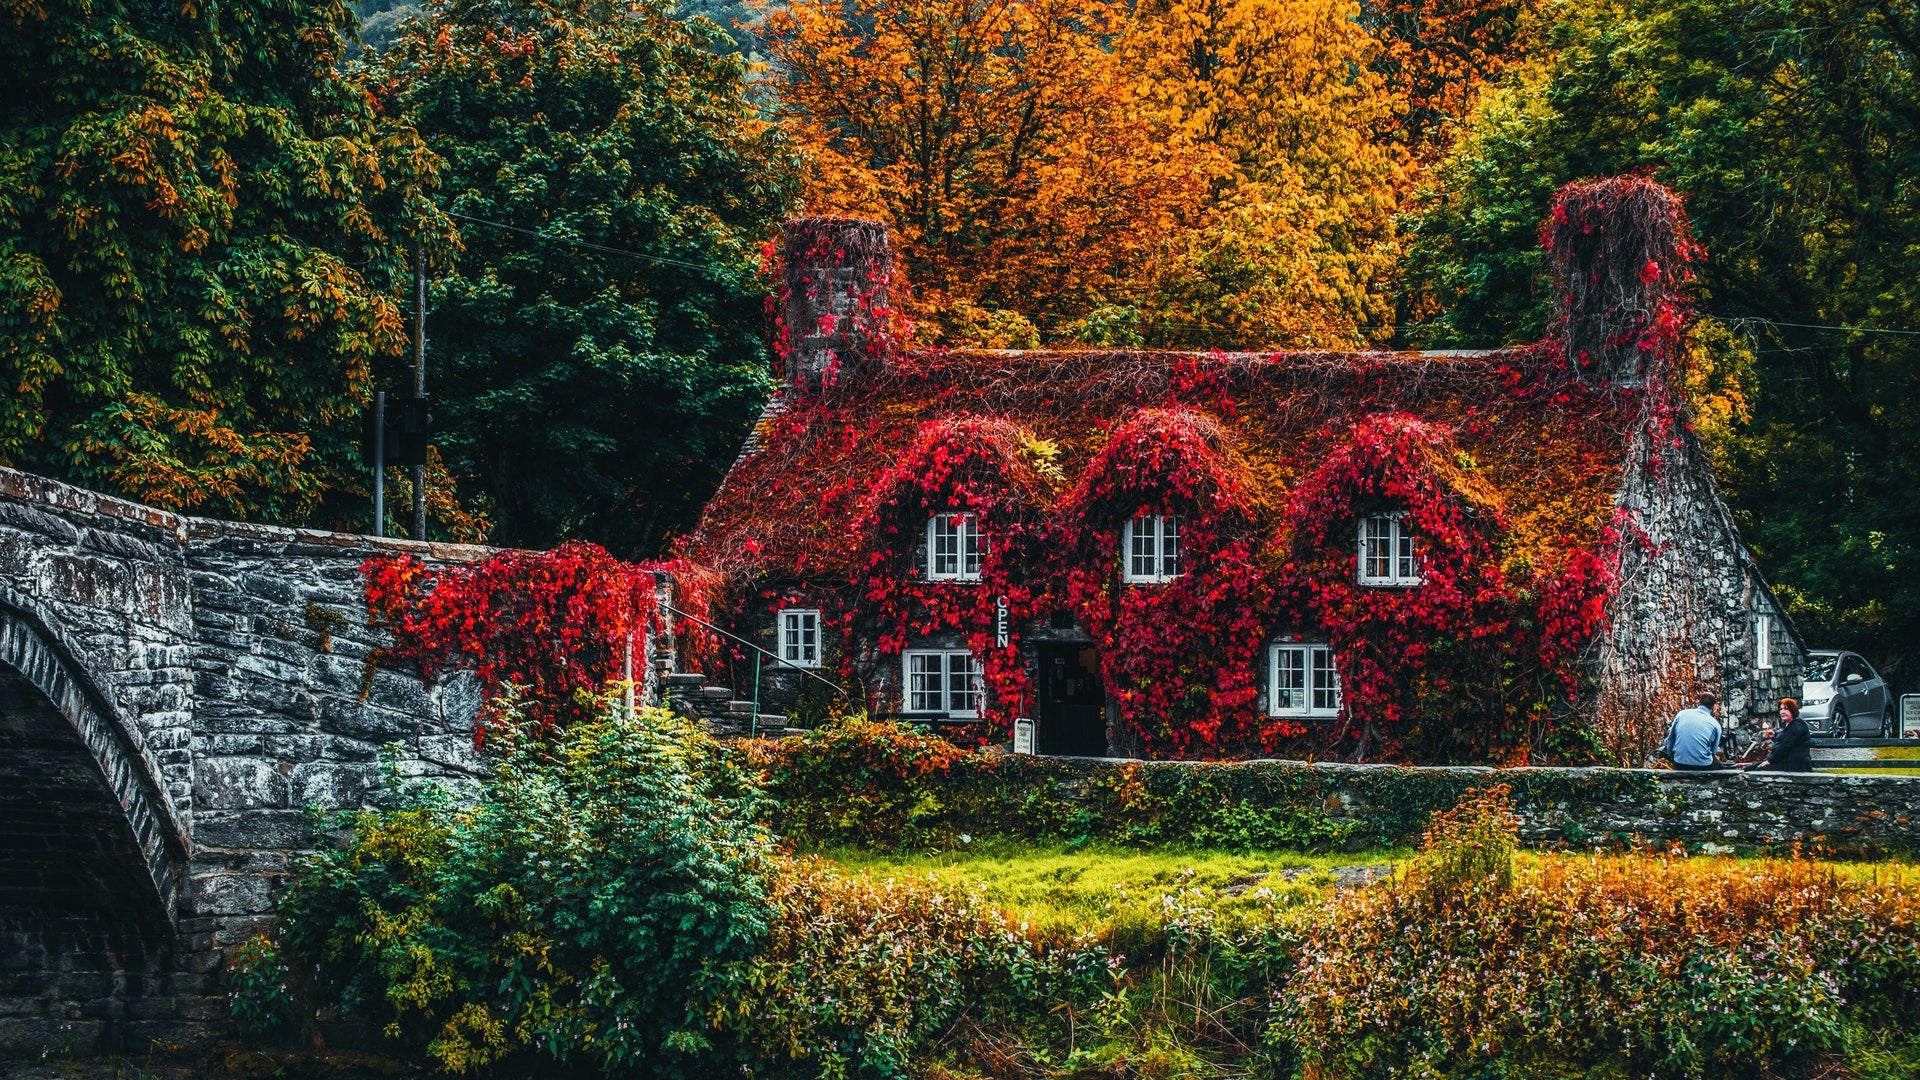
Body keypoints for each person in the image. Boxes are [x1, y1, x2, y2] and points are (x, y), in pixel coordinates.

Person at [1747, 698, 1813, 773]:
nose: (1782, 712)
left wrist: (1771, 760)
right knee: (1748, 769)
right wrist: (1774, 736)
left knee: (1758, 771)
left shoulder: (1798, 724)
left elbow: (1786, 745)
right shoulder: (1789, 725)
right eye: (1781, 709)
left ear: (1793, 710)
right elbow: (1784, 739)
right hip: (1785, 762)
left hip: (1795, 764)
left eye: (1786, 709)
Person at [1661, 692, 1723, 770]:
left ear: (1698, 703)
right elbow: (1713, 751)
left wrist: (1673, 757)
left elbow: (1670, 739)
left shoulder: (1681, 714)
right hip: (1703, 765)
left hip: (1679, 763)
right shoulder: (1715, 724)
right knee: (1721, 767)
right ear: (1714, 707)